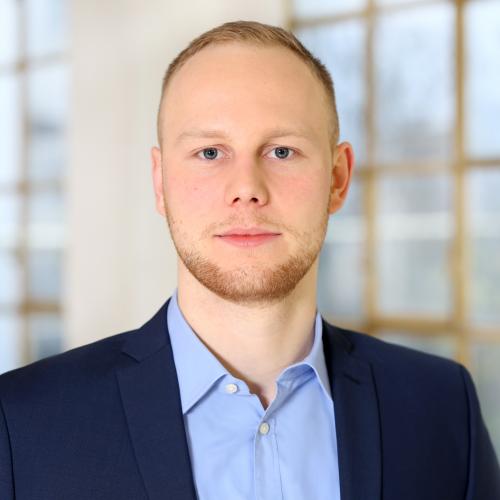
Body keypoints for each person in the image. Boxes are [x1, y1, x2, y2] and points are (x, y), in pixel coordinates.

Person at [0, 20, 499, 500]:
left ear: (338, 178)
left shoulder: (443, 408)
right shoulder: (21, 425)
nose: (246, 189)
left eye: (281, 151)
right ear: (160, 182)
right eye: (210, 153)